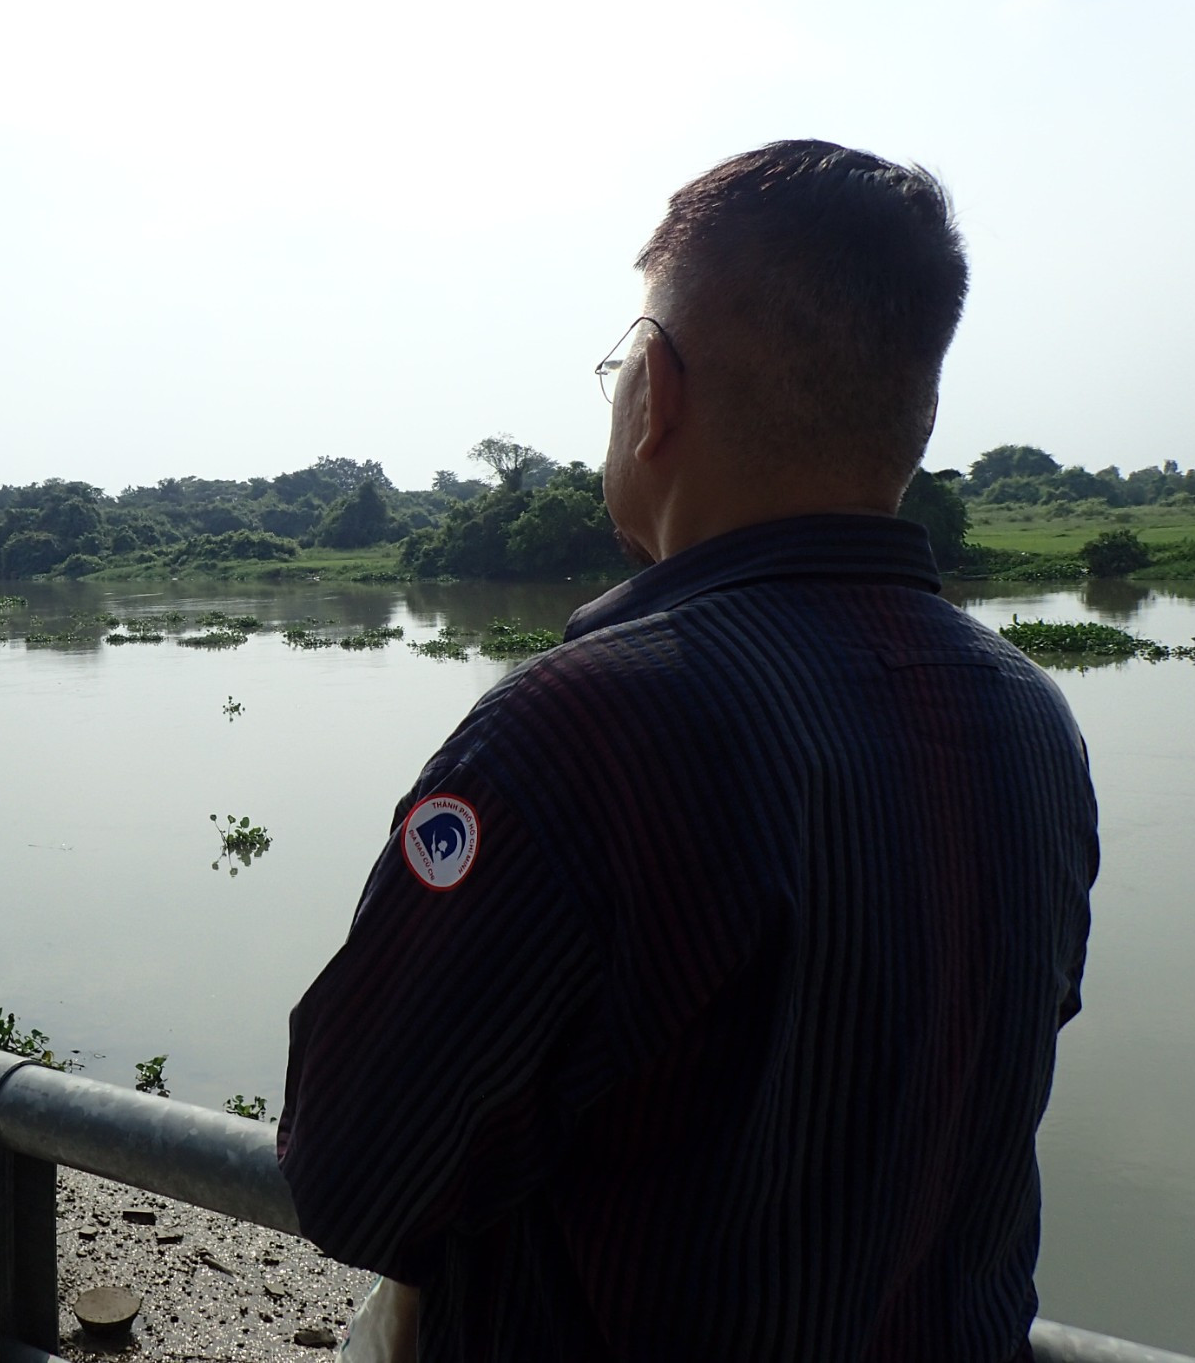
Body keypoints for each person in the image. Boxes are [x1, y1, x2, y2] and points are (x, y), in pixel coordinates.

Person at [277, 140, 1099, 1362]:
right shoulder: (1027, 718)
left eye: (619, 364)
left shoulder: (575, 733)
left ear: (652, 390)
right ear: (913, 418)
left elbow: (354, 1175)